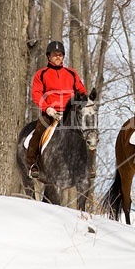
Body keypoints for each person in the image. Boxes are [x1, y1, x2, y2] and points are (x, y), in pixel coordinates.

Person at [26, 40, 87, 178]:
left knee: (88, 132)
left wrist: (82, 101)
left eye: (60, 55)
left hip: (70, 112)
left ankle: (88, 166)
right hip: (51, 112)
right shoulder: (41, 74)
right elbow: (36, 94)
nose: (58, 57)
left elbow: (81, 90)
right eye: (55, 55)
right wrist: (47, 109)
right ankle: (32, 164)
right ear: (48, 56)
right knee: (39, 131)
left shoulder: (71, 73)